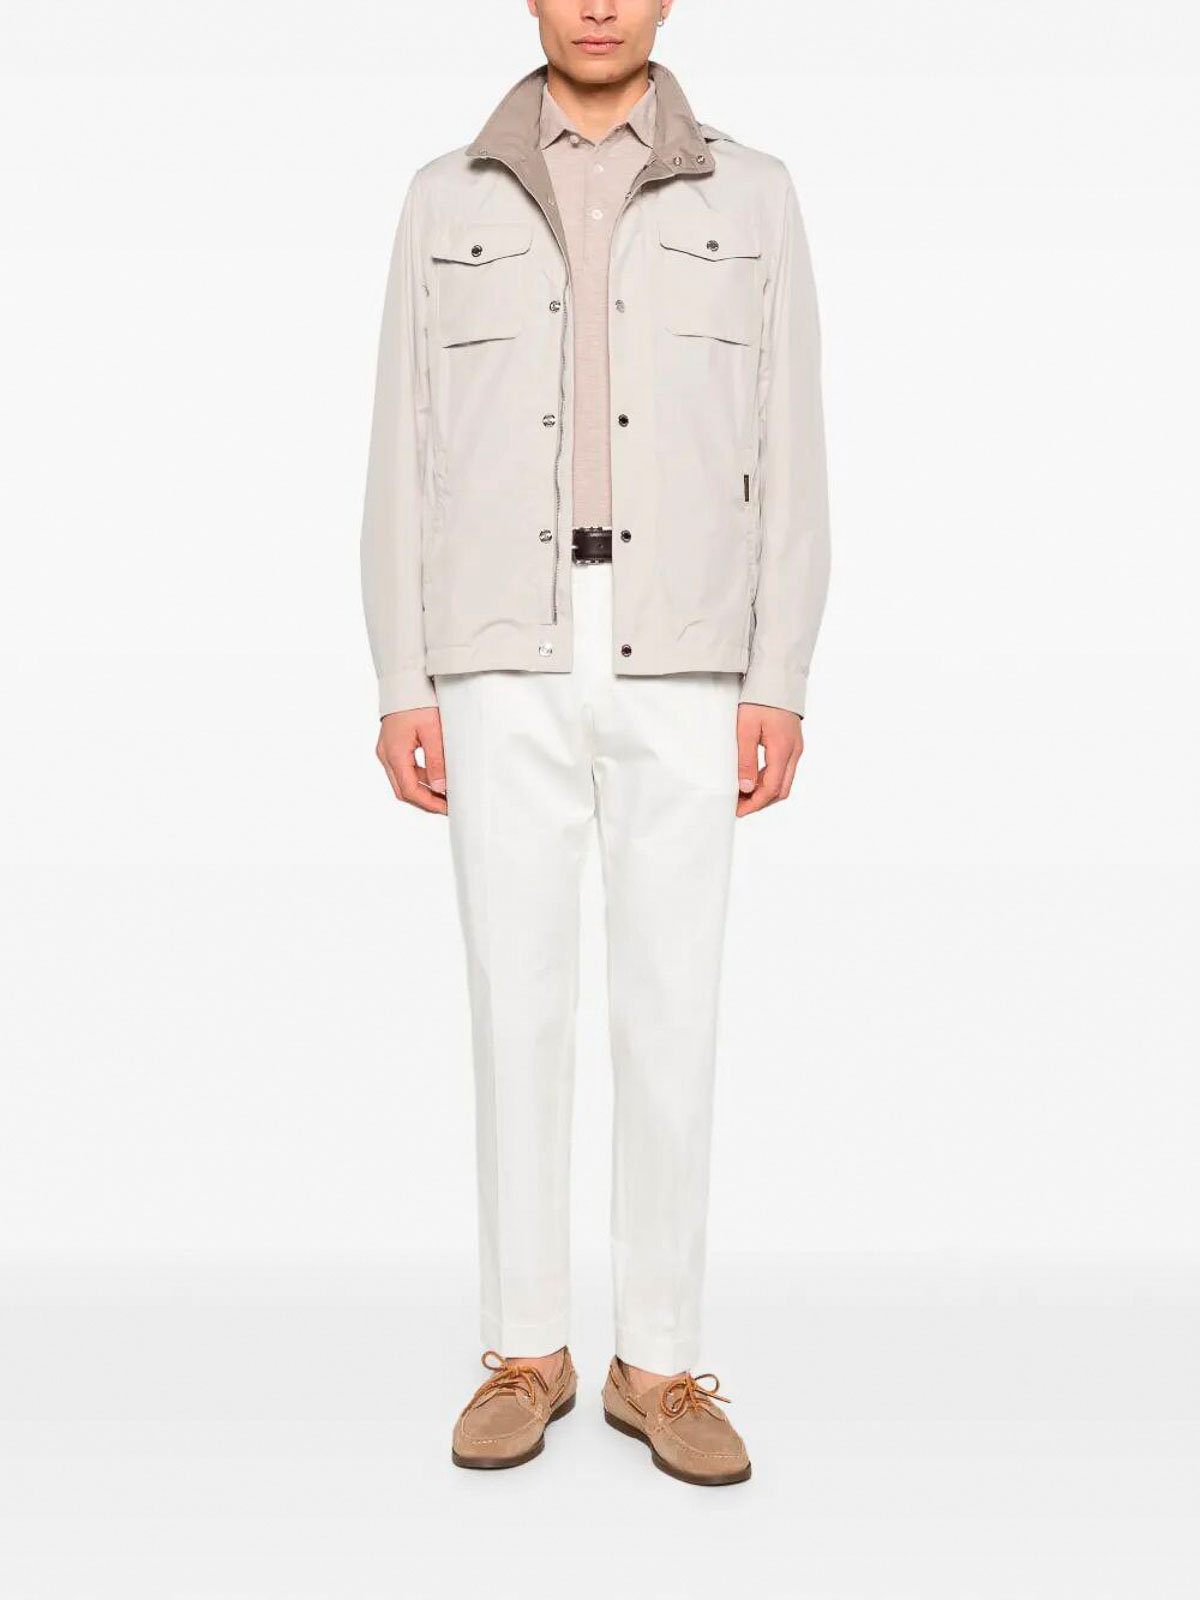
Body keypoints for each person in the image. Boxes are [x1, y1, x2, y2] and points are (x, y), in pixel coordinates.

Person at [361, 0, 829, 1487]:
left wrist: (780, 673)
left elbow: (793, 443)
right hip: (497, 641)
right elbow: (402, 444)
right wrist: (401, 675)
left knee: (670, 1006)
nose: (602, 3)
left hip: (685, 643)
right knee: (515, 1001)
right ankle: (526, 1350)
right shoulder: (446, 197)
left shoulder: (754, 194)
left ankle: (661, 1362)